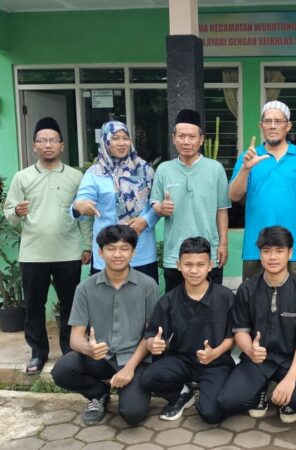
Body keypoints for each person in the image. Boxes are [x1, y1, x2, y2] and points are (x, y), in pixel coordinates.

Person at [3, 117, 92, 375]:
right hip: (33, 253)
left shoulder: (76, 177)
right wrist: (16, 212)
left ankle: (70, 350)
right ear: (34, 146)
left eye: (53, 140)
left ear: (62, 145)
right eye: (42, 141)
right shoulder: (23, 177)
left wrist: (87, 244)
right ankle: (38, 352)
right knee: (34, 305)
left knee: (70, 304)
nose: (48, 145)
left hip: (68, 250)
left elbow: (84, 215)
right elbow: (9, 213)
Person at [51, 225, 159, 426]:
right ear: (100, 252)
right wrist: (88, 349)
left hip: (134, 359)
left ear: (133, 252)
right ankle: (98, 393)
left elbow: (150, 334)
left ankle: (130, 388)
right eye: (110, 248)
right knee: (61, 370)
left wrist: (129, 368)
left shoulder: (148, 286)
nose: (117, 254)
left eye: (124, 248)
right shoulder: (85, 288)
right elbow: (75, 338)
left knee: (133, 414)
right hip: (100, 358)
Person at [218, 226, 296, 424]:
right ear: (260, 254)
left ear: (290, 253)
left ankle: (286, 394)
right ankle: (260, 389)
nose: (272, 257)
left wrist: (290, 380)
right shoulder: (247, 289)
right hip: (257, 361)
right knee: (228, 401)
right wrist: (250, 350)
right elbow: (240, 331)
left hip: (290, 361)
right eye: (266, 251)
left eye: (279, 251)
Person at [141, 237, 235, 423]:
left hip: (216, 362)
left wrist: (215, 353)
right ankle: (182, 394)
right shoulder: (169, 300)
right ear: (179, 265)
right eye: (188, 264)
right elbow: (151, 336)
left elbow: (233, 336)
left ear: (210, 266)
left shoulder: (225, 297)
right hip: (181, 360)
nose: (194, 270)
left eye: (200, 264)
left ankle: (207, 393)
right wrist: (153, 343)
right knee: (149, 378)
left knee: (211, 414)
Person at [229, 100, 296, 283]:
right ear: (261, 126)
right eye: (268, 121)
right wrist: (246, 169)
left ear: (288, 126)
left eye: (278, 121)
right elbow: (234, 196)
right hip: (257, 246)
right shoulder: (249, 156)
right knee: (254, 297)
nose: (272, 126)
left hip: (294, 246)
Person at [150, 109, 230, 291]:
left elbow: (222, 210)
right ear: (174, 138)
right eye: (181, 136)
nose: (186, 142)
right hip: (175, 255)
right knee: (176, 304)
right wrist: (161, 208)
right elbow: (155, 203)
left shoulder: (216, 169)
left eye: (192, 137)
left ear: (201, 139)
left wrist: (223, 244)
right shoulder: (164, 169)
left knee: (212, 302)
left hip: (208, 254)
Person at [72, 120, 159, 281]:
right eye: (115, 138)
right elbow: (81, 200)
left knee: (144, 295)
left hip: (141, 248)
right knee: (105, 296)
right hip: (109, 250)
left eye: (125, 138)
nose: (121, 143)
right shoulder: (95, 173)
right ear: (105, 142)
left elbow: (156, 202)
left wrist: (146, 220)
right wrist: (80, 205)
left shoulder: (145, 170)